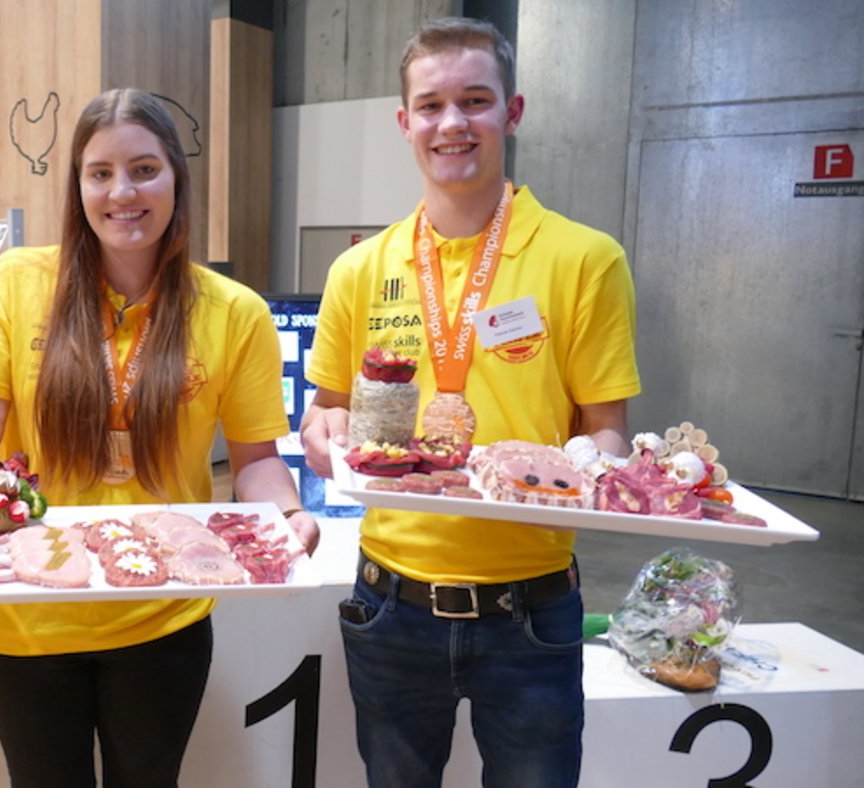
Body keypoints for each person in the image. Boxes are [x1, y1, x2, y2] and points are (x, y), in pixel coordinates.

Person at [0, 87, 318, 788]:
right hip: (26, 615)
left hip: (161, 619)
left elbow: (257, 461)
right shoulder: (18, 281)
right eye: (100, 173)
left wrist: (288, 518)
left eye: (144, 169)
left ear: (177, 175)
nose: (123, 192)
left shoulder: (235, 312)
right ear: (78, 184)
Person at [300, 17, 641, 788]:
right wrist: (325, 434)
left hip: (534, 610)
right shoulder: (360, 268)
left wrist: (602, 476)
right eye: (430, 105)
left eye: (475, 100)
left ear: (511, 113)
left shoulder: (585, 259)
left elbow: (607, 431)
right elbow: (327, 408)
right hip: (390, 602)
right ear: (404, 122)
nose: (452, 123)